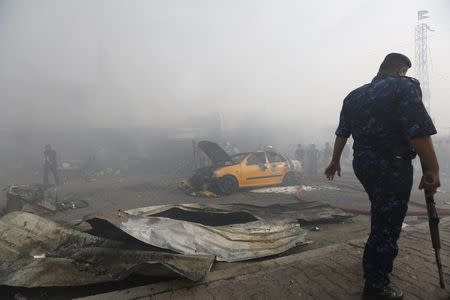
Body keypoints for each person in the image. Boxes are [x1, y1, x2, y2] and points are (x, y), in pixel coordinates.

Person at [325, 53, 440, 299]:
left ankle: (373, 261)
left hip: (363, 164)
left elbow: (342, 133)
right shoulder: (404, 86)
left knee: (381, 214)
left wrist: (335, 160)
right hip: (392, 164)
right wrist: (432, 169)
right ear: (401, 70)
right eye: (405, 72)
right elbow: (418, 130)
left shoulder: (354, 96)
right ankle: (376, 285)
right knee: (387, 224)